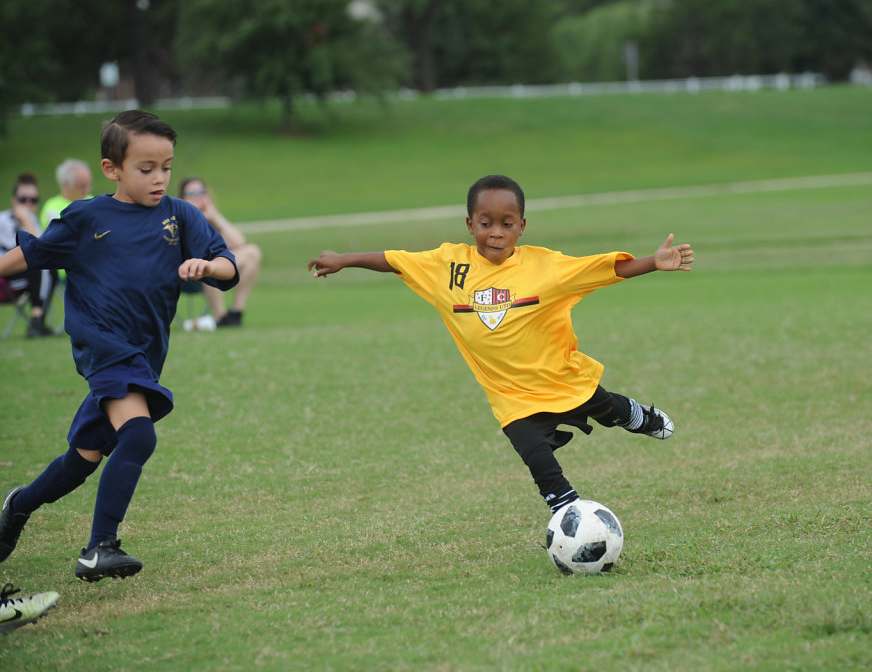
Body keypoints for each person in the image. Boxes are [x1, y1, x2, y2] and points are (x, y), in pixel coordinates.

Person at [308, 174, 694, 515]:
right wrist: (345, 259)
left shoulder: (546, 267)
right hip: (510, 396)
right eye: (486, 223)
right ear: (469, 224)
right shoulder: (446, 265)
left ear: (521, 227)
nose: (496, 232)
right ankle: (568, 512)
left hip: (560, 378)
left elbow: (606, 269)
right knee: (534, 454)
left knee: (605, 407)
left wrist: (652, 262)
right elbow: (394, 260)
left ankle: (632, 415)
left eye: (506, 224)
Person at [0, 110, 238, 582]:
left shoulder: (180, 215)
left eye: (166, 167)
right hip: (103, 347)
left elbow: (228, 264)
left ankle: (17, 507)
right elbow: (27, 257)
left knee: (81, 461)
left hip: (143, 357)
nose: (159, 178)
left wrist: (208, 268)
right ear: (112, 169)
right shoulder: (87, 217)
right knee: (139, 433)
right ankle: (99, 547)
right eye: (145, 168)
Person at [179, 177, 262, 327]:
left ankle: (235, 313)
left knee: (252, 253)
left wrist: (214, 215)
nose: (197, 197)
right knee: (209, 261)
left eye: (201, 192)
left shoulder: (211, 219)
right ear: (182, 198)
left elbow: (238, 242)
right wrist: (195, 216)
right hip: (186, 274)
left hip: (215, 271)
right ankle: (220, 317)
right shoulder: (179, 218)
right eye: (191, 193)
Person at [0, 173, 55, 338]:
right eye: (23, 199)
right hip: (4, 278)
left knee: (46, 266)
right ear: (14, 200)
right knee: (35, 262)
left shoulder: (32, 220)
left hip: (24, 278)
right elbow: (29, 252)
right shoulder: (3, 220)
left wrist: (28, 221)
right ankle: (37, 320)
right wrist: (26, 219)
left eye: (33, 200)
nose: (28, 203)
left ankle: (38, 320)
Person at [40, 158, 93, 229]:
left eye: (89, 184)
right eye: (82, 187)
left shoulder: (94, 201)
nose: (88, 190)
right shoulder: (52, 208)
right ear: (66, 185)